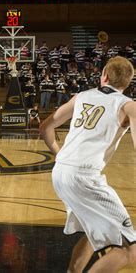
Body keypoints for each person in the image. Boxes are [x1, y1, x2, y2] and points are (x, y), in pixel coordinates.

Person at [39, 56, 136, 273]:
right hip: (85, 177)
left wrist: (59, 154)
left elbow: (45, 128)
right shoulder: (128, 106)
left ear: (104, 75)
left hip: (61, 172)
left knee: (92, 231)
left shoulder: (81, 96)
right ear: (128, 83)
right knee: (130, 249)